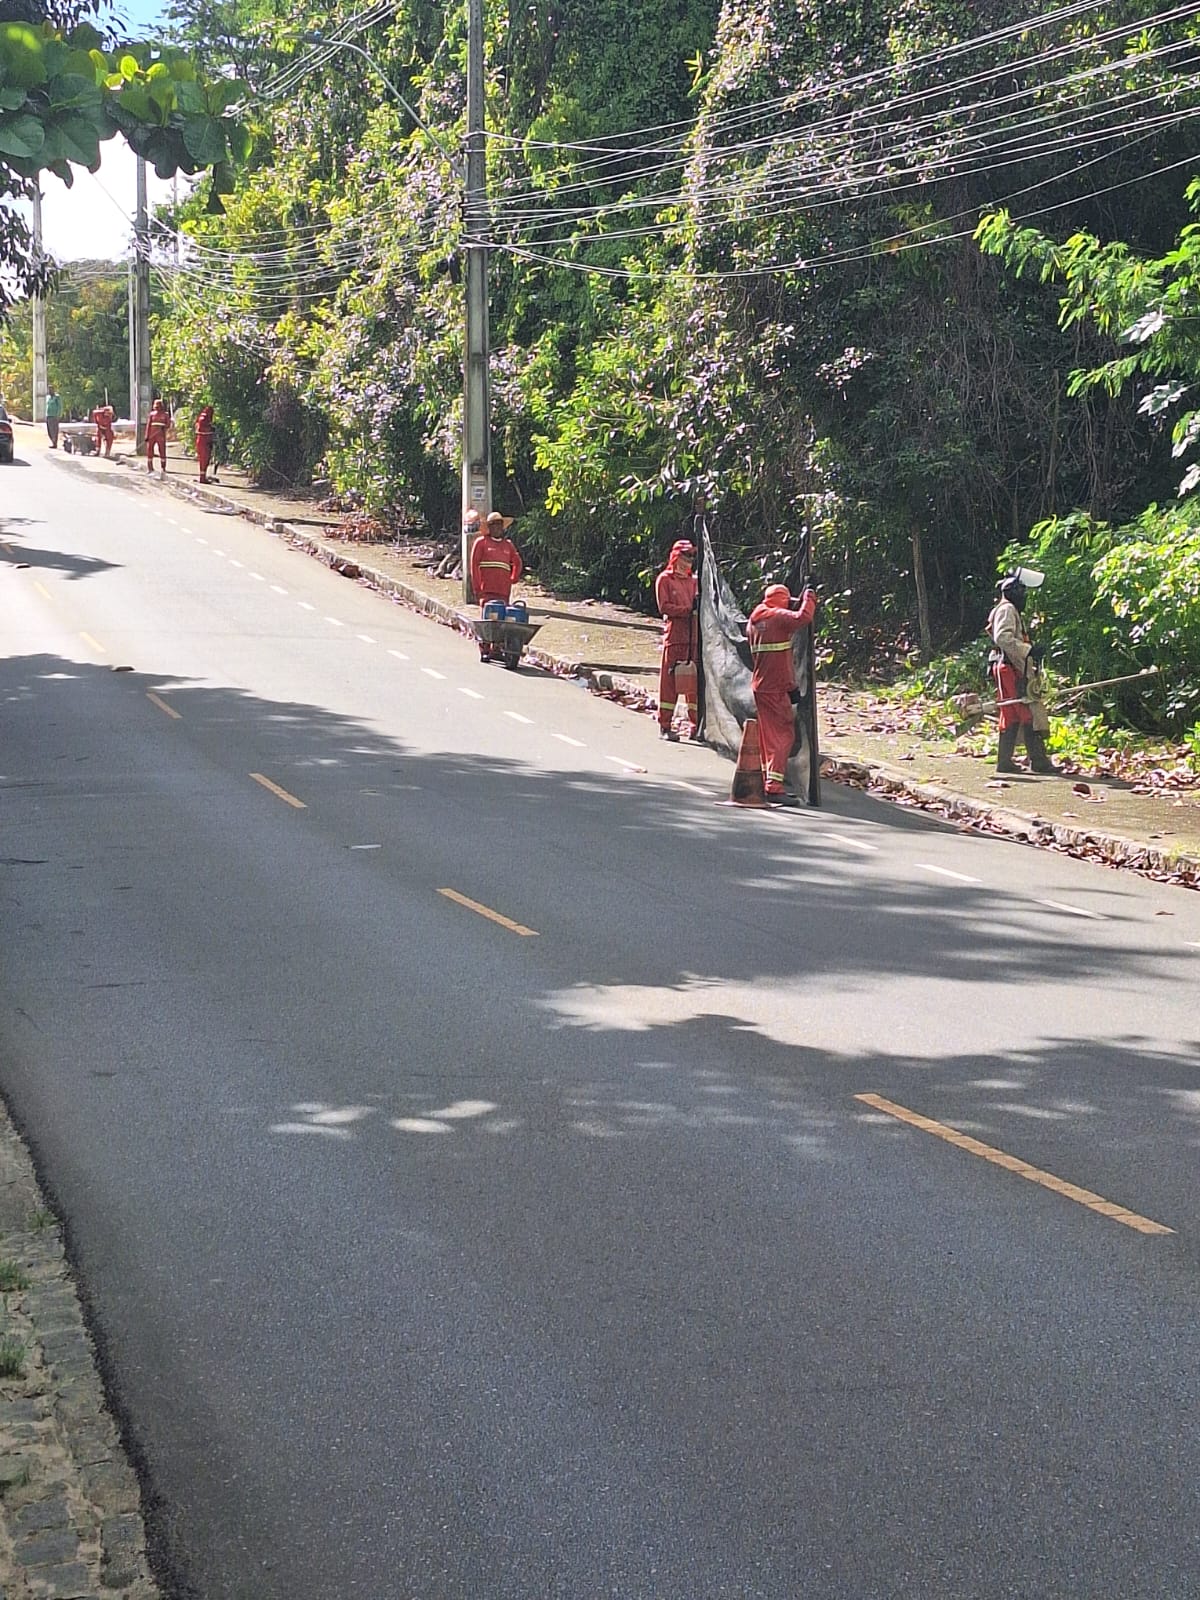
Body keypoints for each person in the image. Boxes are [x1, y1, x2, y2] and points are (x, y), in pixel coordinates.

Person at [747, 581, 818, 800]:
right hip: (775, 688)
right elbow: (802, 618)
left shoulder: (755, 619)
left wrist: (791, 686)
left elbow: (776, 658)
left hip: (762, 685)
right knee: (783, 736)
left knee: (768, 737)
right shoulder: (776, 617)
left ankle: (767, 777)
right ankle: (774, 786)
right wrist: (810, 597)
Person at [987, 567, 1057, 774]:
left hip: (1009, 667)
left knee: (1011, 714)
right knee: (1028, 713)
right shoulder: (1007, 609)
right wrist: (1028, 650)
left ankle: (1005, 762)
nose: (1024, 597)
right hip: (1010, 668)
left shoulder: (1006, 608)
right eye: (1022, 592)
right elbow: (1002, 637)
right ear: (1013, 592)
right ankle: (1038, 761)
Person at [654, 539, 699, 741]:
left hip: (694, 639)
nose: (689, 559)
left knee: (693, 684)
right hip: (675, 638)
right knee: (670, 684)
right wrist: (687, 611)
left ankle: (695, 726)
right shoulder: (665, 579)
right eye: (686, 555)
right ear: (676, 557)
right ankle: (665, 726)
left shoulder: (694, 581)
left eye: (691, 555)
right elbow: (664, 607)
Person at [468, 511, 523, 661]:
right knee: (489, 618)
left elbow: (517, 562)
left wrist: (513, 578)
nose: (498, 528)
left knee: (502, 620)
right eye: (494, 525)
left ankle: (497, 649)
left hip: (503, 590)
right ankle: (485, 649)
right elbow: (474, 566)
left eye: (500, 524)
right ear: (489, 527)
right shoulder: (481, 543)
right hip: (486, 590)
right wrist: (477, 588)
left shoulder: (508, 545)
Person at [146, 397, 171, 475]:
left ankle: (163, 468)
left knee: (162, 450)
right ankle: (150, 467)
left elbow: (168, 424)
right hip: (152, 435)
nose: (157, 407)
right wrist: (147, 435)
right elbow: (148, 425)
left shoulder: (165, 415)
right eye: (156, 405)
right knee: (150, 451)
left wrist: (164, 427)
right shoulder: (152, 414)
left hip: (160, 435)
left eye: (159, 405)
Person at [195, 404, 217, 483]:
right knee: (204, 459)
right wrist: (211, 429)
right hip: (203, 442)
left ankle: (203, 476)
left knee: (206, 459)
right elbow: (203, 430)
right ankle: (202, 478)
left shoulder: (203, 418)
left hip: (205, 441)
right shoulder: (203, 419)